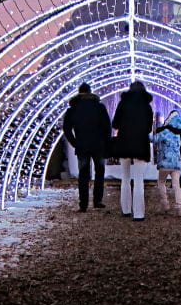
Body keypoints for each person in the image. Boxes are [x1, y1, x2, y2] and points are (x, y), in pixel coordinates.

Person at [62, 83, 110, 212]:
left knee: (83, 174)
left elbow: (66, 128)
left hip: (82, 145)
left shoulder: (73, 109)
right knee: (100, 172)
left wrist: (74, 142)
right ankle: (97, 201)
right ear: (90, 92)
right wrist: (106, 142)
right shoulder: (99, 107)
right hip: (98, 145)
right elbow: (107, 127)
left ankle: (83, 204)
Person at [111, 80, 153, 220]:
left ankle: (126, 209)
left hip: (124, 144)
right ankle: (139, 214)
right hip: (141, 144)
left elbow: (115, 124)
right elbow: (148, 128)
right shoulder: (147, 107)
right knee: (139, 180)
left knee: (125, 178)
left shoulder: (123, 104)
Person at [151, 109, 181, 216]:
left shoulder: (165, 132)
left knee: (161, 182)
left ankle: (165, 205)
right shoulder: (179, 134)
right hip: (176, 164)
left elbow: (154, 139)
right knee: (176, 185)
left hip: (165, 163)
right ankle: (179, 208)